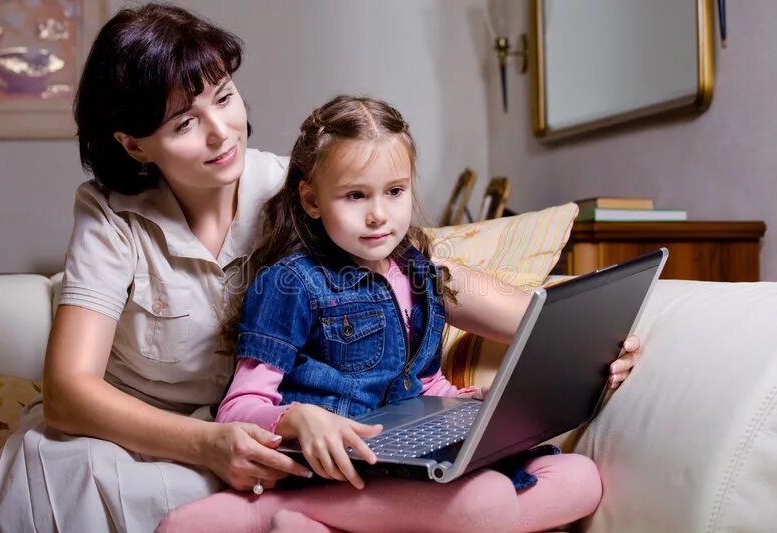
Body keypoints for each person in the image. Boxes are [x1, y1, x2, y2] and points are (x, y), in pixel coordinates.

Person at [0, 4, 642, 532]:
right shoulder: (111, 213)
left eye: (224, 95)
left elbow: (423, 276)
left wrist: (562, 336)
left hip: (271, 438)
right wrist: (211, 444)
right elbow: (71, 393)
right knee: (127, 481)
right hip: (144, 437)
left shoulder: (287, 183)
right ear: (134, 143)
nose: (221, 132)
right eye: (185, 121)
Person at [156, 96, 643, 532]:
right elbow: (238, 407)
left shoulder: (420, 274)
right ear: (311, 199)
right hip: (341, 468)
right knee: (486, 502)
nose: (378, 215)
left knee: (580, 478)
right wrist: (296, 419)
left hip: (409, 460)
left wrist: (474, 405)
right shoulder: (289, 283)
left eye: (394, 191)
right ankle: (277, 514)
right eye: (355, 196)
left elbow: (420, 382)